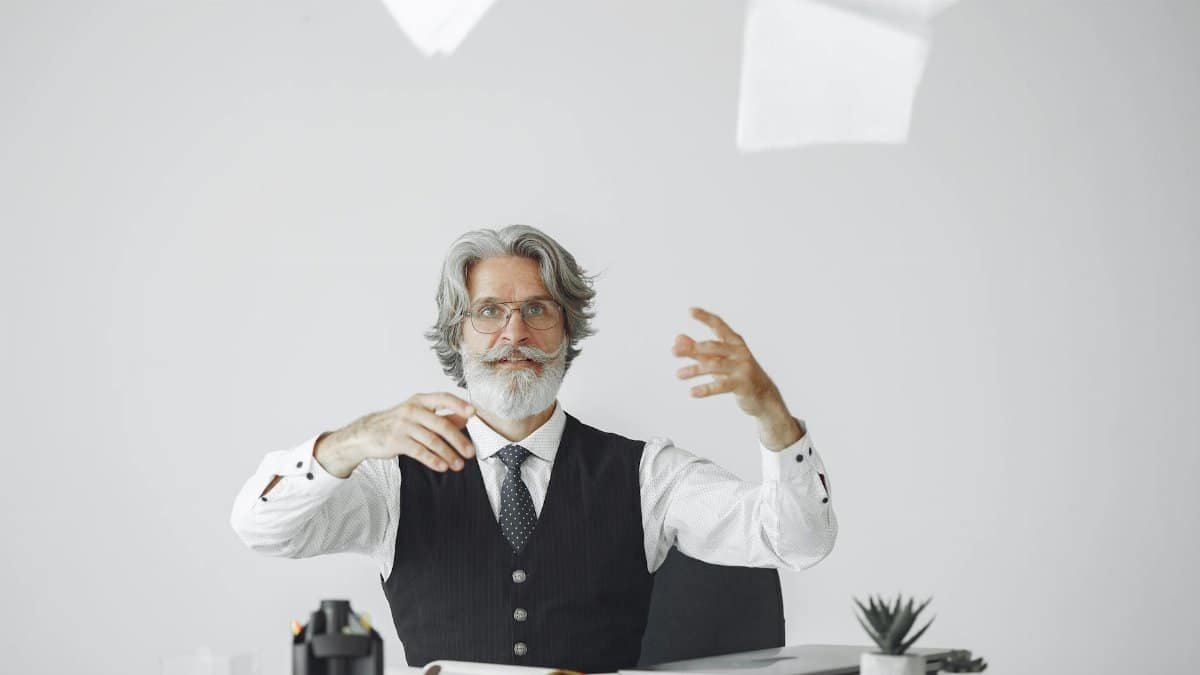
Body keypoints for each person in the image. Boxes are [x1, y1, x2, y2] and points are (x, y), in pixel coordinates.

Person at [230, 224, 836, 672]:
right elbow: (262, 529)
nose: (513, 332)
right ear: (457, 334)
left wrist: (773, 418)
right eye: (489, 311)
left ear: (567, 331)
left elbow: (799, 539)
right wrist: (352, 441)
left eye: (537, 310)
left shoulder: (645, 472)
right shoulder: (393, 477)